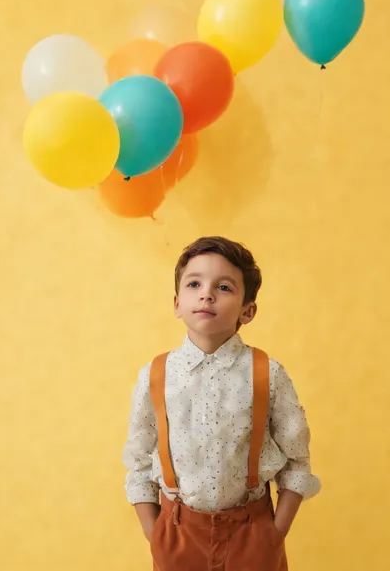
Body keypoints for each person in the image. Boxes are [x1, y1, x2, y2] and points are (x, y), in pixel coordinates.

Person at [123, 236, 321, 571]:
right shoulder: (155, 375)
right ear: (176, 303)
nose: (206, 294)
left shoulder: (268, 374)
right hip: (177, 534)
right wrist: (155, 534)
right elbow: (139, 463)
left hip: (253, 533)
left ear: (248, 310)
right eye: (194, 283)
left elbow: (297, 463)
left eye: (224, 287)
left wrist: (274, 535)